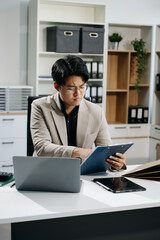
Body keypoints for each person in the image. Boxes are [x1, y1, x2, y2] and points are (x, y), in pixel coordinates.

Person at [31, 55, 126, 170]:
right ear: (57, 86)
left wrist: (116, 163)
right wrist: (78, 152)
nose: (78, 94)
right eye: (71, 88)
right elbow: (42, 148)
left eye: (82, 87)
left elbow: (106, 151)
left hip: (82, 173)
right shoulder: (40, 106)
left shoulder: (96, 111)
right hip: (47, 170)